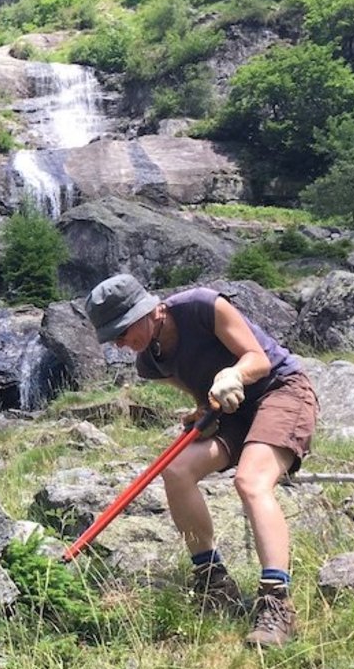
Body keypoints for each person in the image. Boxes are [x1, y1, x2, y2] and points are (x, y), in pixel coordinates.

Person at [84, 274, 318, 648]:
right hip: (232, 412)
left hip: (280, 390)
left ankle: (276, 603)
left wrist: (233, 374)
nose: (123, 344)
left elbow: (256, 359)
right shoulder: (151, 363)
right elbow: (200, 395)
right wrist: (200, 411)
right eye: (115, 338)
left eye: (125, 331)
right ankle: (213, 581)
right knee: (175, 471)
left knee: (251, 480)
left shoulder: (203, 306)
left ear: (149, 310)